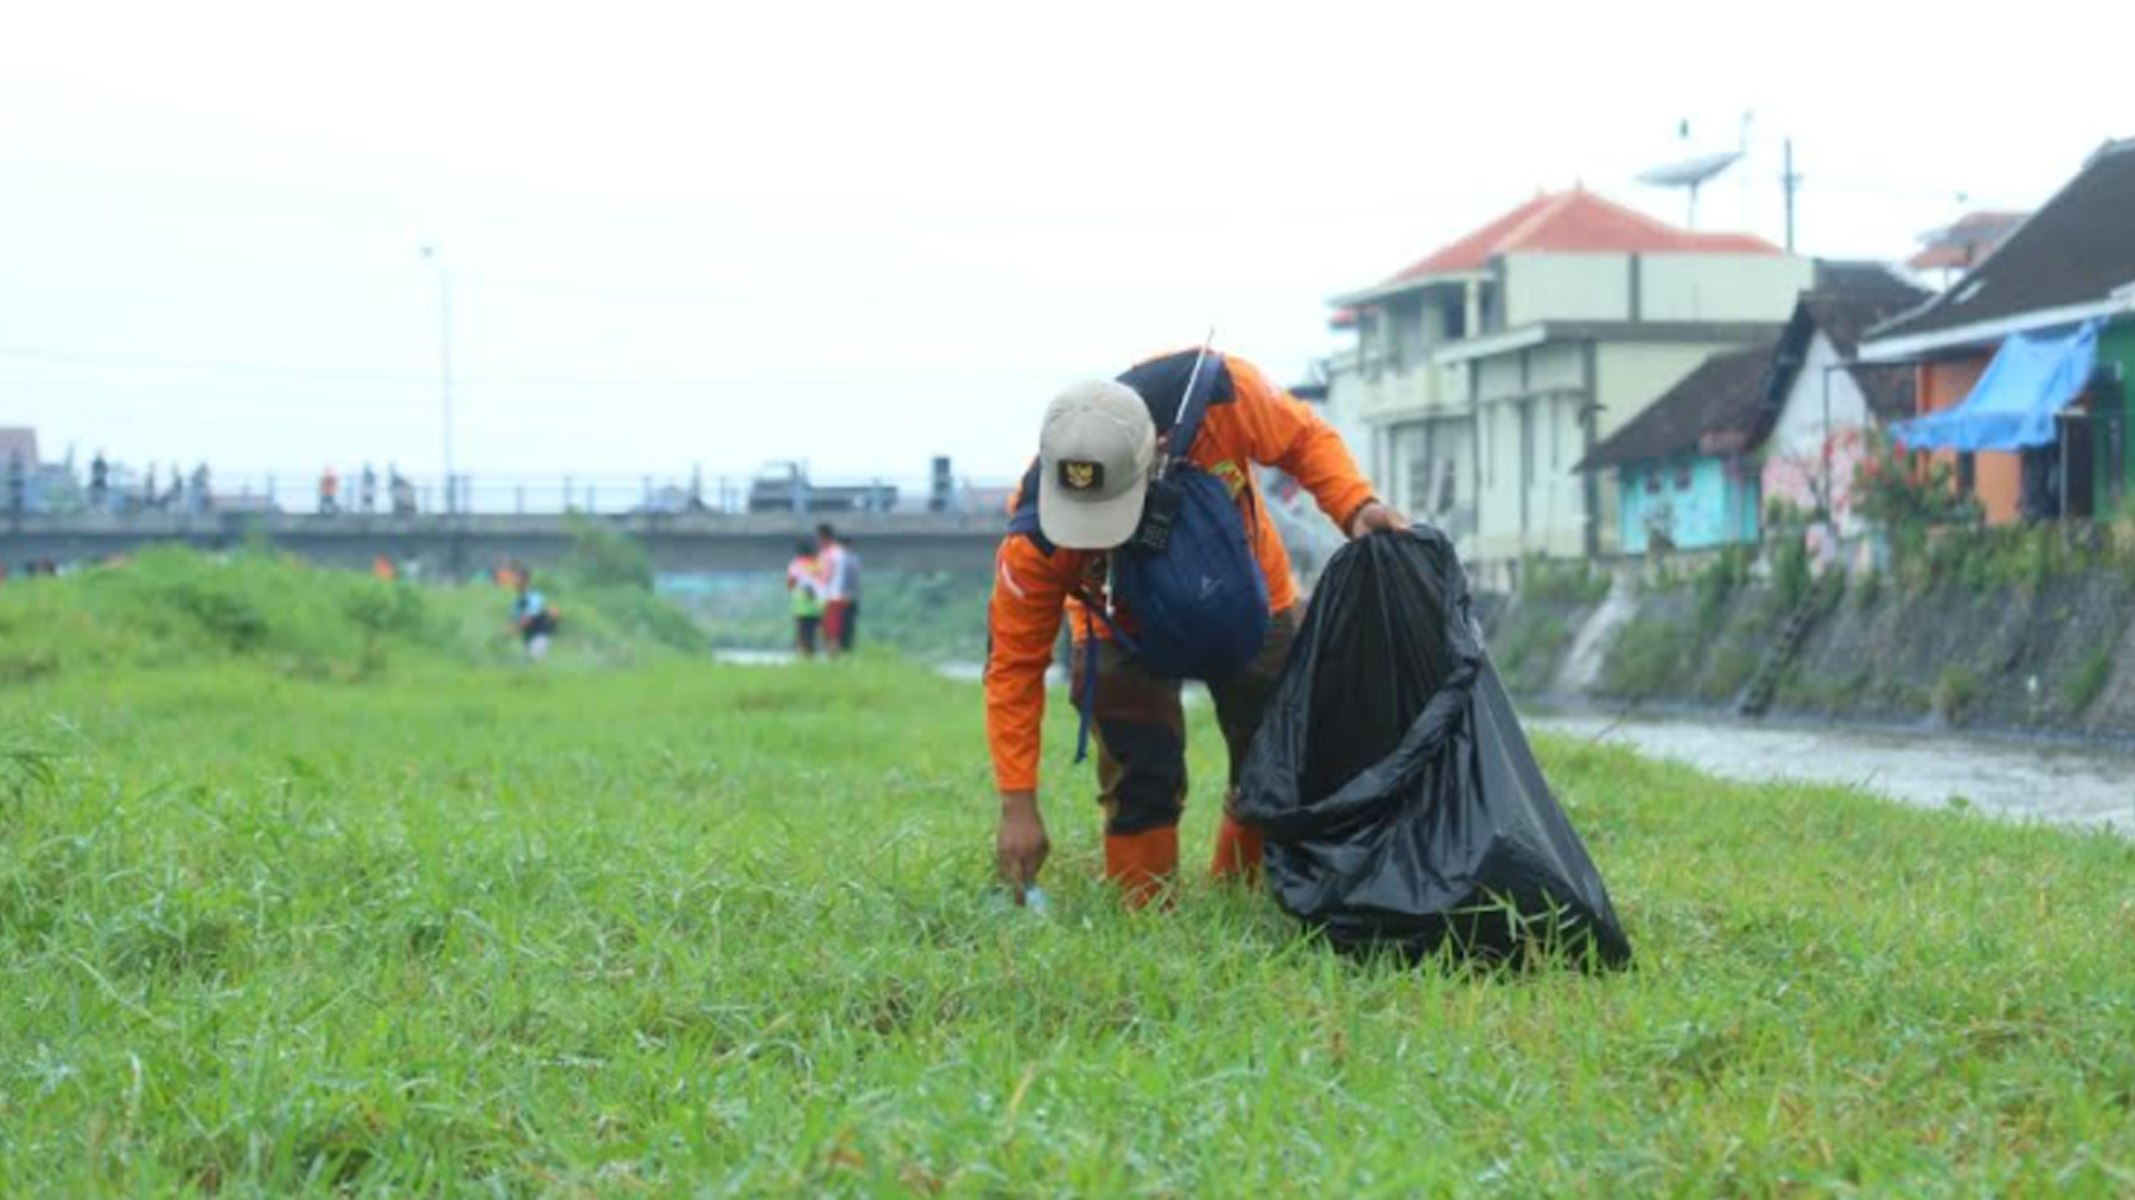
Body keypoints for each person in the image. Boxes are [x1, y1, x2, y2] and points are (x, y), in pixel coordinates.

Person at [985, 349, 1406, 908]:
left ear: (1158, 452)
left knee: (1271, 756)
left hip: (1244, 595)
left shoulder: (1222, 394)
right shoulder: (1036, 539)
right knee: (1142, 767)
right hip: (1117, 623)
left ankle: (1244, 900)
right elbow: (1013, 669)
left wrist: (1354, 505)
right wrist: (1018, 805)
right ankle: (1144, 916)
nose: (1093, 539)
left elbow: (1303, 440)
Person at [815, 523, 861, 655]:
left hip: (833, 597)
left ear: (823, 537)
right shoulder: (839, 553)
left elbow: (826, 575)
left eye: (818, 537)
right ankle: (836, 656)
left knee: (833, 632)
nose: (817, 541)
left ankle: (834, 658)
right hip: (836, 597)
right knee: (833, 630)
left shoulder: (830, 553)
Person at [786, 540, 828, 658]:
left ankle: (804, 655)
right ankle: (822, 654)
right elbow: (826, 581)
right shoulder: (820, 564)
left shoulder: (796, 563)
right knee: (815, 631)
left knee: (803, 631)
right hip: (819, 603)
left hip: (802, 602)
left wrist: (794, 588)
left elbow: (791, 582)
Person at [510, 567, 559, 661]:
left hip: (540, 634)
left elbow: (528, 619)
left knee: (534, 661)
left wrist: (514, 630)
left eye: (516, 579)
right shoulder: (518, 600)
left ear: (525, 581)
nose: (514, 582)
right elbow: (514, 618)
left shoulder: (534, 596)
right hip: (528, 635)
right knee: (528, 662)